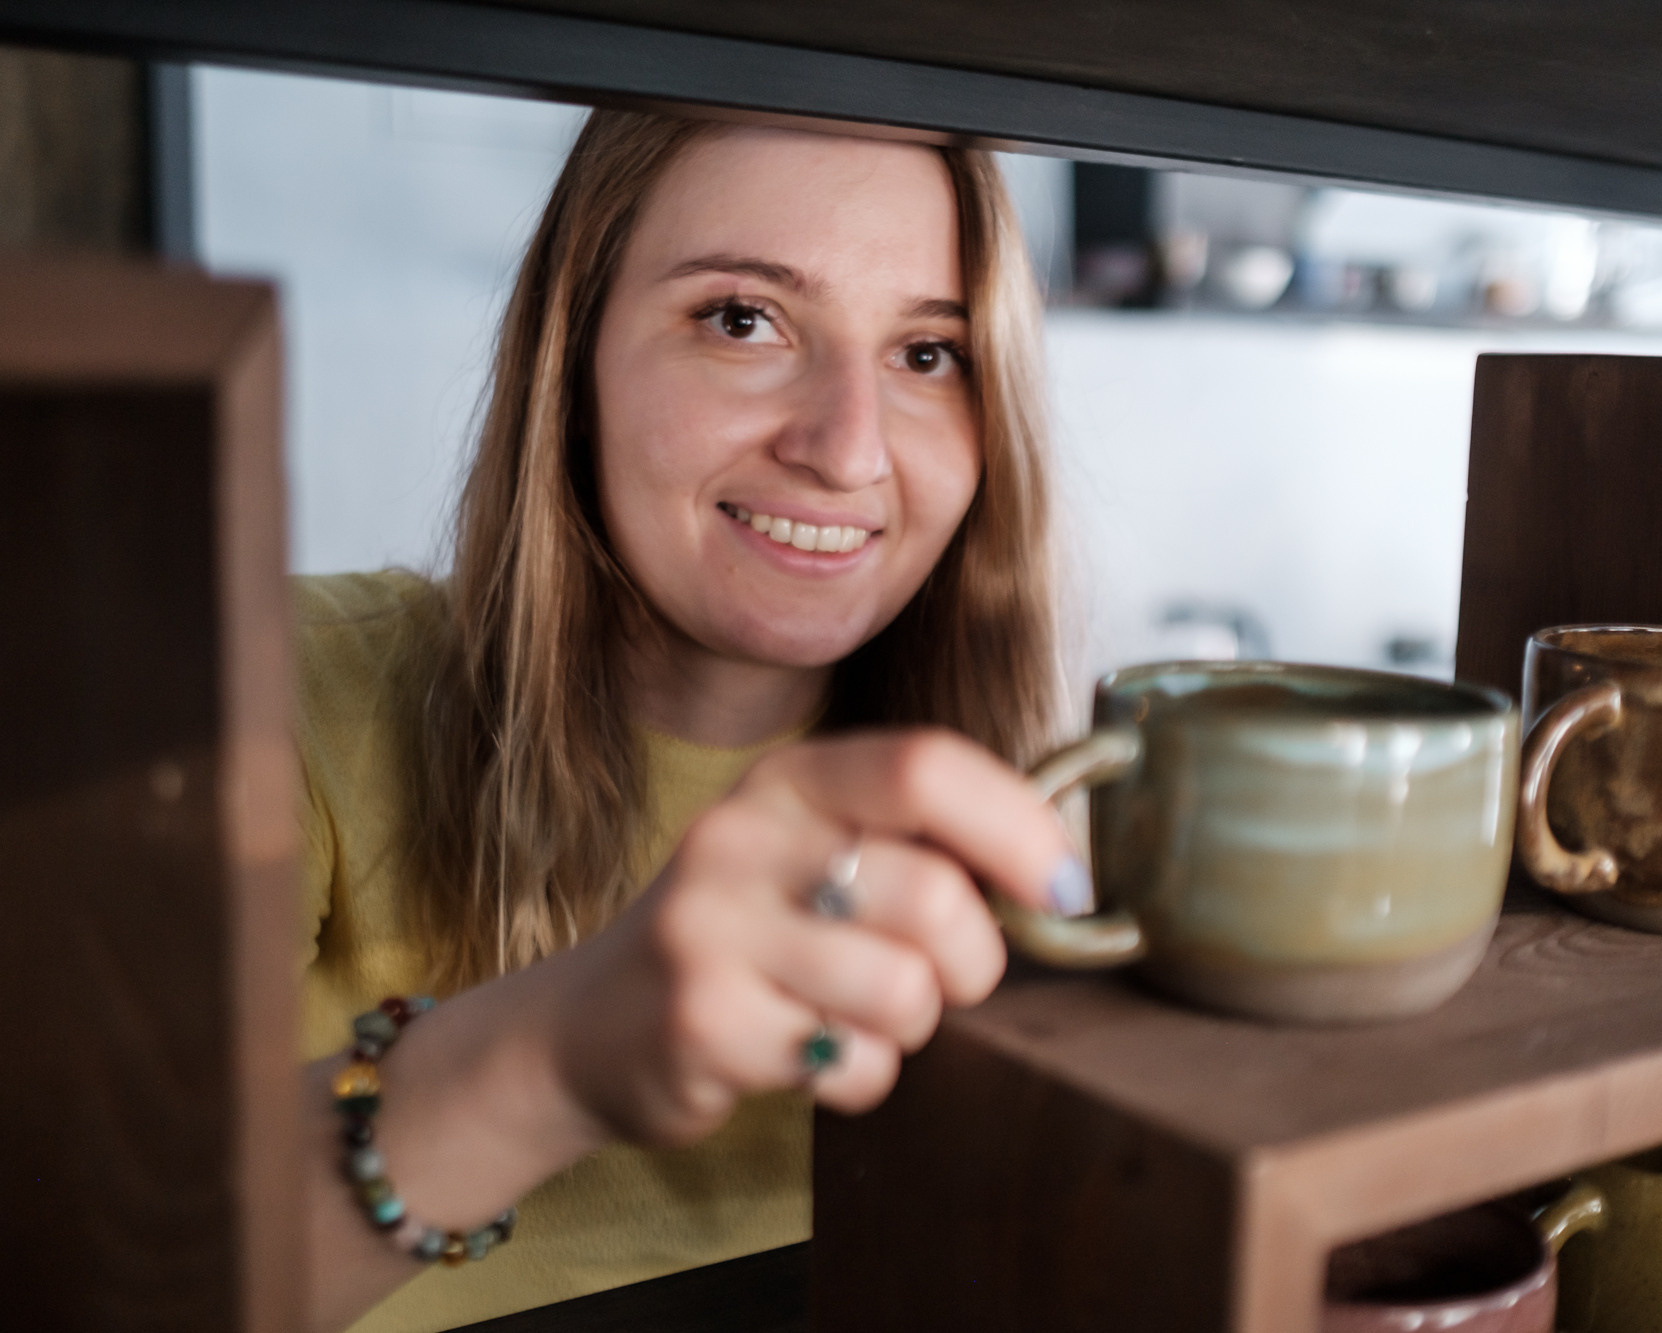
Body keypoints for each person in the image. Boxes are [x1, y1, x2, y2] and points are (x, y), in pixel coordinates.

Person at [296, 110, 1088, 1333]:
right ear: (576, 354)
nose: (846, 449)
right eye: (741, 319)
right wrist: (552, 1057)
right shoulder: (271, 693)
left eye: (927, 353)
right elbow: (47, 1262)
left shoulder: (1037, 806)